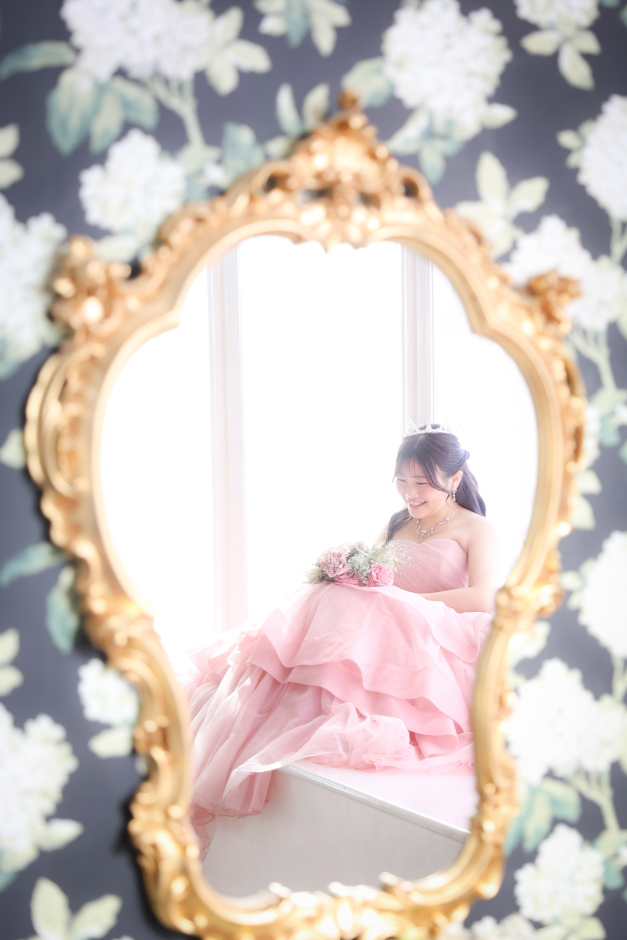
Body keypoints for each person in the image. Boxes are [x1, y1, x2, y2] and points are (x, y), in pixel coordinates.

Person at [182, 424, 499, 852]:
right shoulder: (397, 523)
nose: (410, 493)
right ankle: (287, 686)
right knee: (332, 593)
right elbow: (376, 577)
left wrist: (405, 601)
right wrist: (357, 576)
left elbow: (482, 597)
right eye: (402, 481)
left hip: (439, 630)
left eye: (421, 483)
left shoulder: (476, 528)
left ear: (454, 478)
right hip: (388, 626)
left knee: (352, 601)